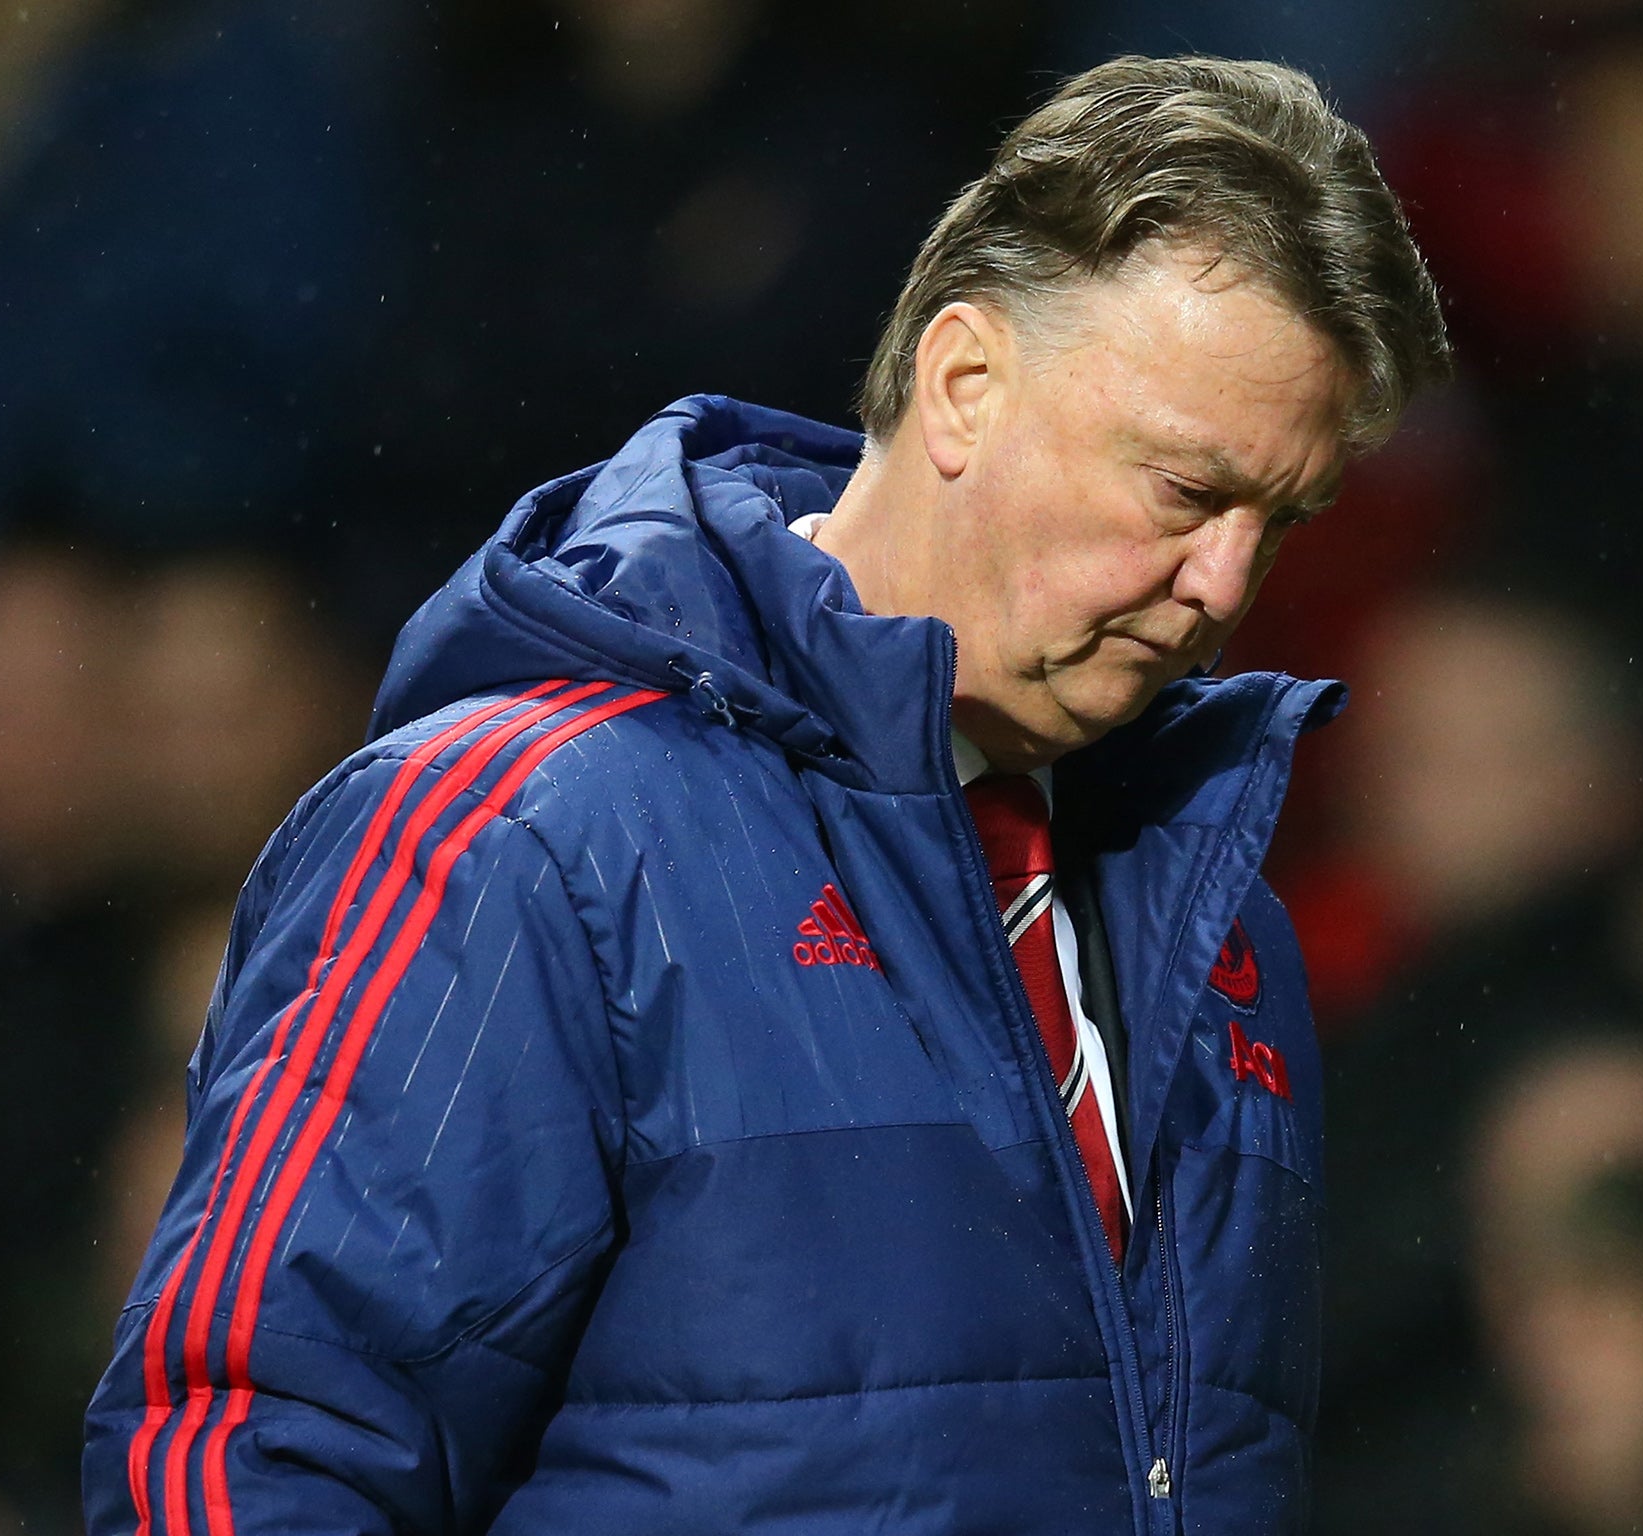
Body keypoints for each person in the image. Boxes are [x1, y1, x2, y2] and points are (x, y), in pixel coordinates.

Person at [85, 55, 1448, 1533]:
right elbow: (251, 1453)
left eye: (1281, 519)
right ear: (965, 386)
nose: (1227, 587)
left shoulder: (1222, 933)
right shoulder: (532, 835)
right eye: (1186, 493)